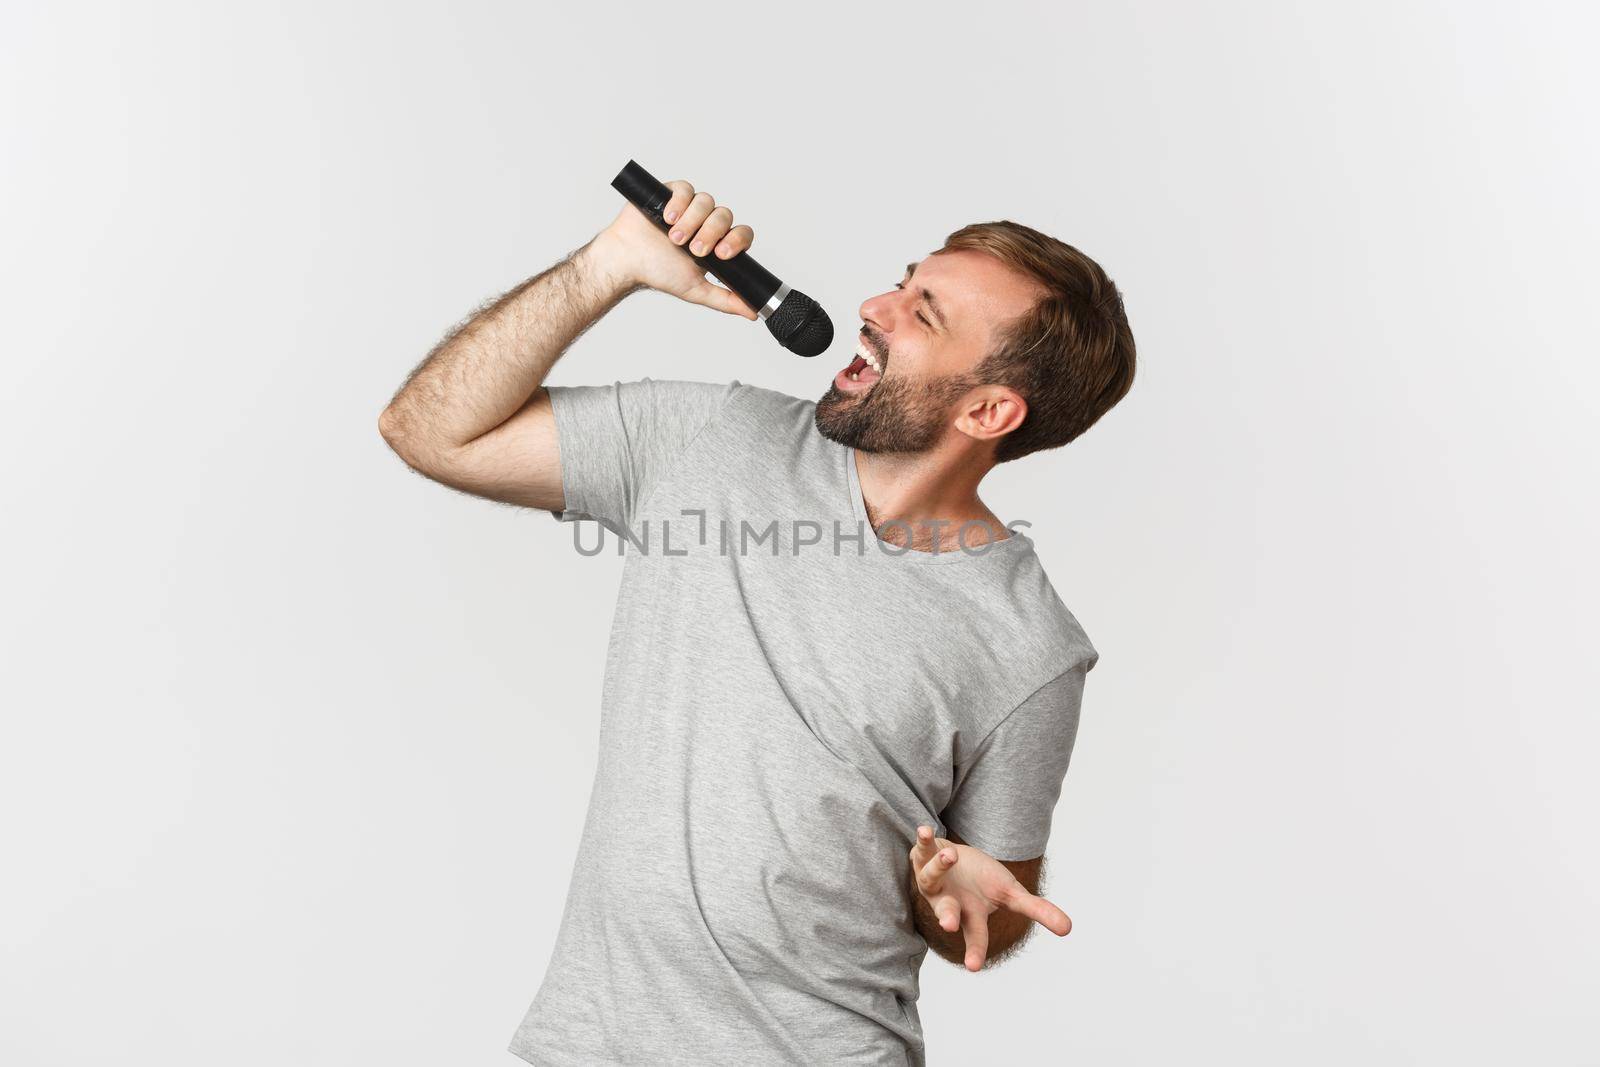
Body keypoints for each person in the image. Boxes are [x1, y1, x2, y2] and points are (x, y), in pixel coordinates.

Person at [378, 176, 1136, 1066]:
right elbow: (429, 431)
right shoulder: (710, 440)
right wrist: (611, 266)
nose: (873, 307)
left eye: (922, 314)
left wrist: (958, 896)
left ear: (987, 411)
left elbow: (994, 916)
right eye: (903, 280)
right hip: (589, 1045)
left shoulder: (1032, 645)